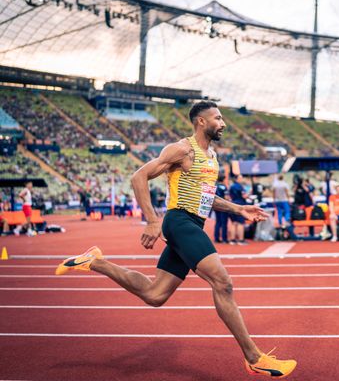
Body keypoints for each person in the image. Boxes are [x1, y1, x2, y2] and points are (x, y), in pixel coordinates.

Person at [54, 101, 297, 378]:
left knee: (154, 294)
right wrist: (152, 220)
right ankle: (254, 357)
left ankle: (95, 262)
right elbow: (138, 177)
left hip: (194, 223)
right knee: (223, 283)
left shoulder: (212, 157)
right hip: (180, 222)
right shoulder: (182, 149)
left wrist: (238, 208)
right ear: (201, 121)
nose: (224, 123)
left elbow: (206, 197)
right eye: (218, 118)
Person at [228, 174, 249, 245]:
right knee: (240, 223)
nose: (242, 179)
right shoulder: (240, 187)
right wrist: (250, 193)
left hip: (232, 204)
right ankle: (240, 240)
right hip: (239, 206)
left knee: (234, 223)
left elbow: (229, 196)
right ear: (237, 179)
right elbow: (244, 196)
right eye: (241, 178)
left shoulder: (232, 186)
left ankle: (232, 240)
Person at [214, 174, 228, 243]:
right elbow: (226, 197)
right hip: (223, 206)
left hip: (216, 206)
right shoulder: (224, 187)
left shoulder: (215, 186)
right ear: (223, 179)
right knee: (224, 223)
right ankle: (224, 239)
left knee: (218, 222)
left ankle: (216, 238)